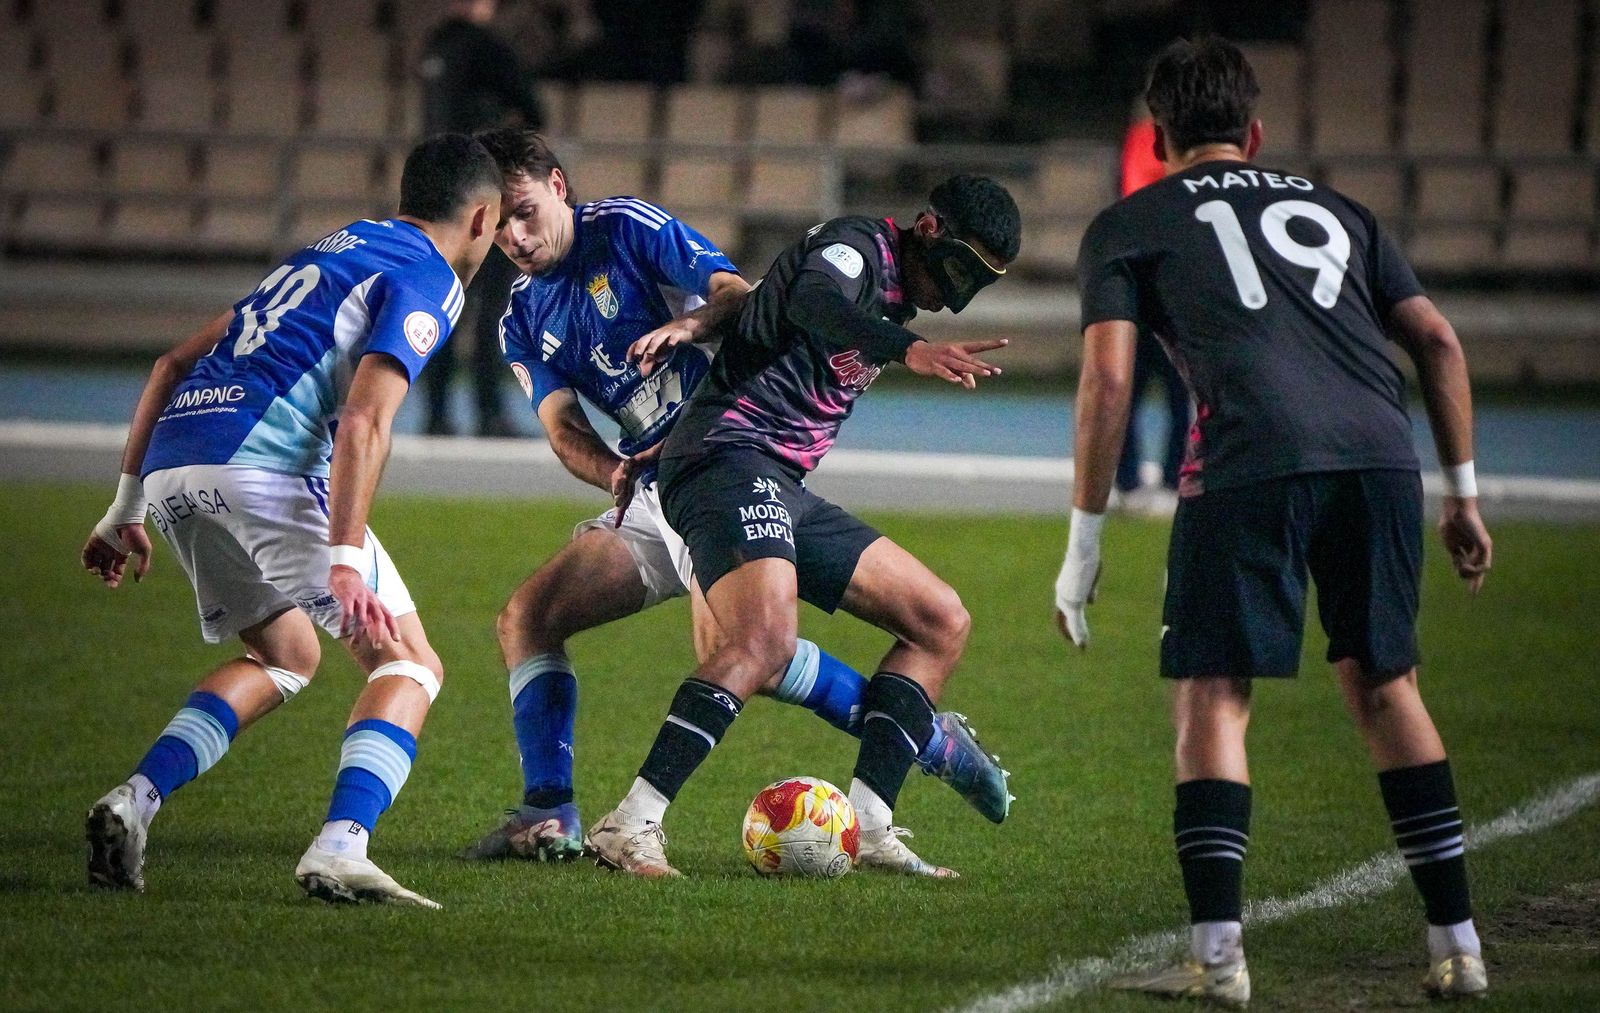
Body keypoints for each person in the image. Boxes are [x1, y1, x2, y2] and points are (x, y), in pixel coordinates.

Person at [1055, 38, 1493, 1004]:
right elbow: (1437, 339)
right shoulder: (1343, 211)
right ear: (1253, 134)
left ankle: (1217, 960)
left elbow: (1110, 381)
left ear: (1158, 137)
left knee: (1213, 695)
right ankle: (1459, 944)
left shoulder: (1130, 222)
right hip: (1380, 457)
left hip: (1249, 455)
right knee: (1387, 686)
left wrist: (1084, 540)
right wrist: (1462, 493)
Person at [457, 130, 1012, 862]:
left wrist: (688, 325)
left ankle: (885, 796)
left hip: (734, 464)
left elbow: (734, 293)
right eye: (499, 225)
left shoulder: (625, 228)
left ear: (558, 186)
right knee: (534, 618)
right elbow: (562, 428)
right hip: (693, 469)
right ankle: (555, 811)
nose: (515, 238)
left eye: (524, 213)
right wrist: (613, 471)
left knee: (818, 636)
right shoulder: (520, 318)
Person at [81, 134, 505, 909]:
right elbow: (365, 421)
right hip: (263, 468)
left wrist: (124, 508)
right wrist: (343, 556)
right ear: (481, 218)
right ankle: (343, 844)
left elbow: (170, 365)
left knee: (286, 653)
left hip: (176, 465)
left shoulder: (331, 249)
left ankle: (134, 799)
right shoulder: (431, 275)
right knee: (408, 664)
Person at [418, 0, 544, 437]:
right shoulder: (487, 46)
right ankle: (489, 412)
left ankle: (436, 413)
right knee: (493, 308)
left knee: (444, 305)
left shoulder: (434, 46)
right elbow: (533, 108)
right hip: (483, 196)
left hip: (440, 198)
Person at [1114, 105, 1189, 516]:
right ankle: (1144, 483)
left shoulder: (1154, 144)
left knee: (1153, 394)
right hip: (1153, 298)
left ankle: (1157, 482)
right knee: (1137, 392)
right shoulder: (1148, 142)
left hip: (1159, 298)